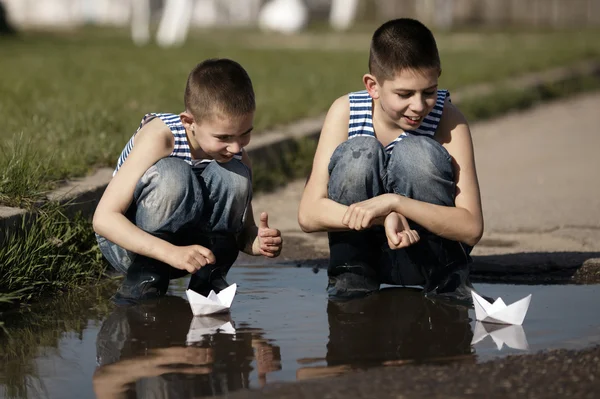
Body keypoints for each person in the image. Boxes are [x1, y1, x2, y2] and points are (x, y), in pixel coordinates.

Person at [298, 18, 484, 303]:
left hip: (426, 260)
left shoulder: (449, 119)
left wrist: (396, 203)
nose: (419, 106)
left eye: (429, 92)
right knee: (359, 153)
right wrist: (383, 216)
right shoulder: (345, 112)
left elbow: (471, 228)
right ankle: (353, 279)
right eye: (405, 94)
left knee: (416, 153)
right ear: (373, 86)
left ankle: (446, 278)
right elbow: (309, 214)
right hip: (363, 260)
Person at [93, 58, 283, 301]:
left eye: (245, 134)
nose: (235, 147)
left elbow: (242, 232)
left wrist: (257, 242)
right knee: (174, 176)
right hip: (132, 246)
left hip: (190, 254)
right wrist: (169, 252)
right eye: (223, 137)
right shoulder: (161, 138)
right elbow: (103, 219)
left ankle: (207, 285)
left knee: (235, 175)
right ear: (189, 122)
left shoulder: (237, 157)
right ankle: (144, 284)